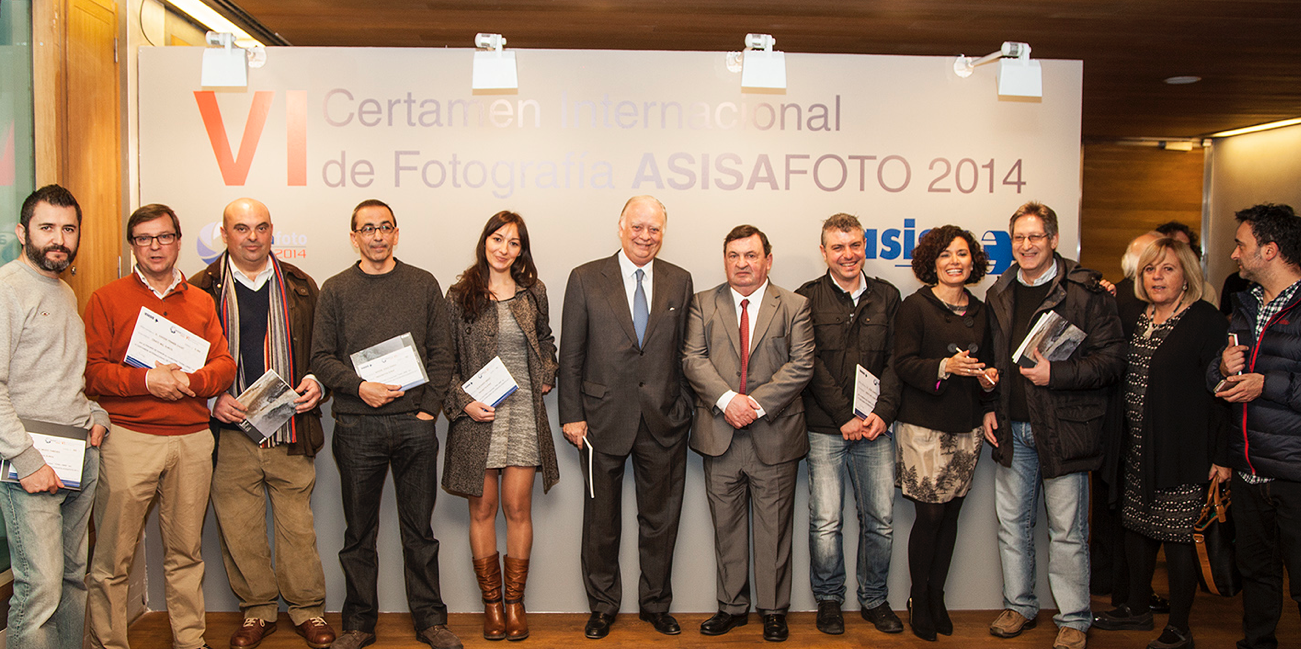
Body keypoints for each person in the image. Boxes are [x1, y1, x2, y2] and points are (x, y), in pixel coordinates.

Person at [85, 203, 238, 649]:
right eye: (144, 238)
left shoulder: (201, 301)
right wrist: (147, 380)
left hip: (191, 441)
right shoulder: (106, 298)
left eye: (164, 236)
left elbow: (224, 364)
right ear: (132, 245)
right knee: (113, 557)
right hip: (129, 439)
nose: (155, 246)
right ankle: (108, 644)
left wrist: (191, 382)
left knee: (186, 554)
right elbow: (93, 373)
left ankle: (190, 641)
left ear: (177, 240)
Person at [309, 199, 458, 649]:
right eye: (367, 229)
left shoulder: (422, 284)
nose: (377, 236)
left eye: (385, 227)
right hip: (357, 428)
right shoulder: (335, 289)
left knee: (420, 532)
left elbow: (442, 352)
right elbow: (320, 358)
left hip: (414, 426)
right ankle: (358, 624)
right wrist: (359, 387)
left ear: (396, 233)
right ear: (353, 237)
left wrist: (429, 409)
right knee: (359, 533)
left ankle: (430, 621)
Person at [190, 198, 334, 649]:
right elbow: (185, 358)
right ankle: (257, 612)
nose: (251, 237)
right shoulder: (200, 289)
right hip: (229, 433)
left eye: (260, 227)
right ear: (224, 233)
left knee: (298, 528)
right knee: (240, 528)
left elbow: (322, 348)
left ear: (273, 231)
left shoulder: (302, 286)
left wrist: (315, 382)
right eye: (241, 228)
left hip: (289, 428)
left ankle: (308, 611)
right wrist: (213, 397)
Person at [983, 202, 1125, 649]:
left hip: (1064, 430)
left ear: (1054, 240)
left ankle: (1074, 618)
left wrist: (1055, 375)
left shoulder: (1088, 294)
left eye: (1035, 237)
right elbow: (993, 358)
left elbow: (1113, 361)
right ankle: (1020, 606)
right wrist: (989, 403)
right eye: (1019, 238)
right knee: (1012, 525)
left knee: (1067, 531)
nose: (1026, 246)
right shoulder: (998, 292)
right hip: (1012, 428)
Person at [558, 195, 694, 639]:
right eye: (638, 227)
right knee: (601, 521)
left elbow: (686, 353)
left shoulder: (679, 280)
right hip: (599, 421)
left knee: (661, 521)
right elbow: (572, 354)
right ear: (621, 226)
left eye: (654, 229)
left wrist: (684, 408)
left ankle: (656, 604)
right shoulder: (585, 278)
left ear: (663, 232)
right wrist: (572, 415)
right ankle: (602, 606)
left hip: (662, 420)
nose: (645, 236)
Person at [1091, 237, 1230, 649]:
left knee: (1178, 538)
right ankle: (1136, 608)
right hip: (1136, 447)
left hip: (1185, 448)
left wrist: (1222, 456)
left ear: (1186, 274)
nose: (1157, 276)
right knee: (1136, 528)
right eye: (1150, 269)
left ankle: (1179, 628)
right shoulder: (1136, 315)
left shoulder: (1206, 320)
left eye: (1168, 268)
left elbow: (1224, 391)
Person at [683, 225, 814, 643]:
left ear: (767, 260)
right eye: (734, 255)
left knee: (774, 529)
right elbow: (692, 358)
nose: (742, 263)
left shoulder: (795, 306)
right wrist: (727, 401)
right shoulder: (702, 303)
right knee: (727, 528)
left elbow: (801, 365)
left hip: (773, 434)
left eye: (751, 255)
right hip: (719, 434)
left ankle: (774, 610)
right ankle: (732, 607)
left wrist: (751, 404)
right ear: (725, 260)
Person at [0, 185, 110, 649]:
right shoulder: (7, 288)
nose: (58, 239)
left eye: (68, 229)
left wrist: (96, 414)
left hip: (78, 454)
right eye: (47, 228)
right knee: (39, 589)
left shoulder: (63, 290)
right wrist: (26, 460)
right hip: (31, 464)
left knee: (71, 581)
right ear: (24, 232)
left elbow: (64, 376)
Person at [443, 211, 559, 641]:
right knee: (482, 512)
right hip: (478, 418)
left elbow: (546, 339)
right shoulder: (460, 295)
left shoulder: (533, 293)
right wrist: (463, 403)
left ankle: (515, 603)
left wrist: (548, 370)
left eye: (513, 242)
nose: (504, 249)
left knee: (518, 511)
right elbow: (445, 361)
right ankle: (491, 606)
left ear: (521, 250)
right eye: (497, 239)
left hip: (523, 414)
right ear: (484, 241)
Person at [794, 213, 903, 636]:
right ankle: (829, 600)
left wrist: (882, 413)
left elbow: (897, 360)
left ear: (865, 247)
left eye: (855, 245)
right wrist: (844, 416)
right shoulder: (805, 298)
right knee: (826, 520)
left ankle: (874, 599)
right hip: (826, 428)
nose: (848, 254)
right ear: (823, 252)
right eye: (838, 247)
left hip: (876, 428)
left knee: (880, 520)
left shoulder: (888, 297)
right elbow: (810, 364)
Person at [893, 225, 999, 641]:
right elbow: (902, 363)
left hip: (967, 426)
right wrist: (944, 367)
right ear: (930, 264)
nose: (954, 262)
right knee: (930, 514)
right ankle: (918, 597)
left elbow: (989, 365)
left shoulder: (980, 310)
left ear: (973, 261)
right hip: (923, 427)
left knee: (951, 513)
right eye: (945, 255)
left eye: (961, 254)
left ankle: (937, 595)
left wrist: (989, 381)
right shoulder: (914, 307)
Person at [1207, 203, 1301, 649]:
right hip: (1247, 467)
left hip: (1293, 471)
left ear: (1270, 250)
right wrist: (1221, 370)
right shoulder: (1246, 306)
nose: (1233, 255)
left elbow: (1268, 382)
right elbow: (1221, 378)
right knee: (1256, 574)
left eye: (1241, 245)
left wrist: (1268, 384)